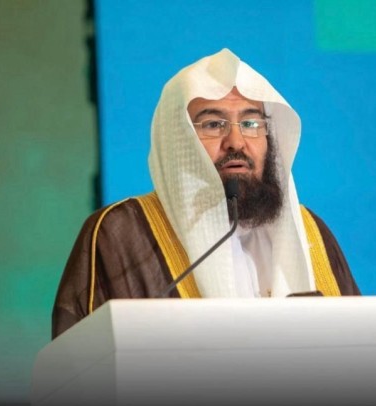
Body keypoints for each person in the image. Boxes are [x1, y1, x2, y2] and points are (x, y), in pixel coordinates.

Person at [52, 48, 360, 339]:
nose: (236, 141)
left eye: (250, 123)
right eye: (213, 124)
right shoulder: (120, 234)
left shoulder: (310, 233)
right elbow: (82, 364)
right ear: (179, 141)